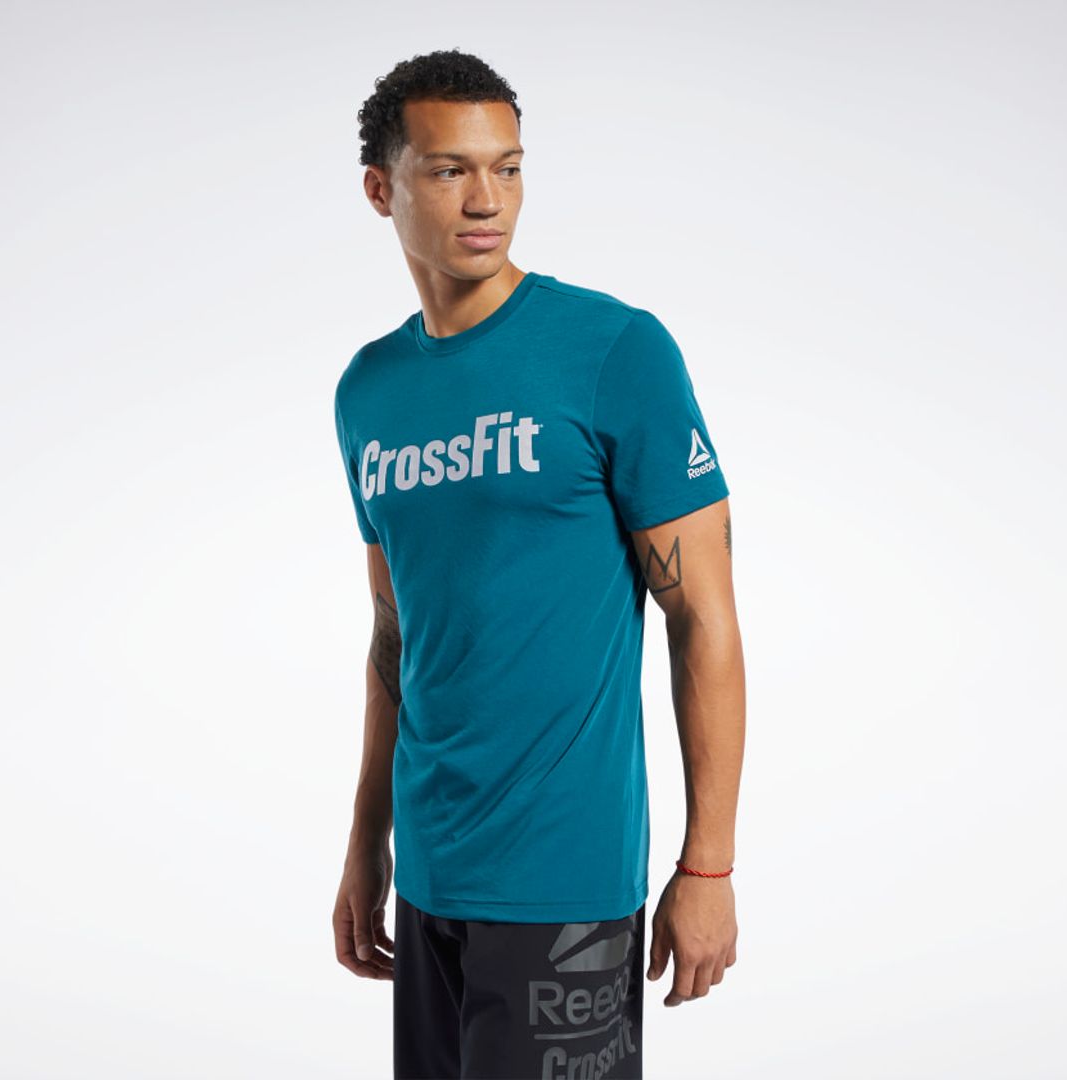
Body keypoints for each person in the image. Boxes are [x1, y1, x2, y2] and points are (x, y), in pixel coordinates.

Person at [331, 47, 746, 1080]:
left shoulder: (614, 351)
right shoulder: (368, 391)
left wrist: (708, 866)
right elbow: (395, 637)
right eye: (450, 170)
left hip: (565, 880)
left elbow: (704, 618)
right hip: (429, 879)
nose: (488, 200)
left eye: (508, 168)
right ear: (381, 188)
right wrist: (366, 843)